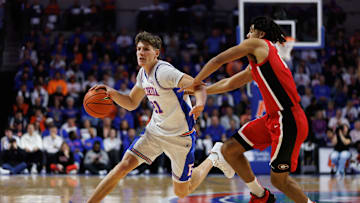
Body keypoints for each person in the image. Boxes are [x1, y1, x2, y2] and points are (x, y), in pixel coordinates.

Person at [86, 31, 234, 203]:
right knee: (123, 166)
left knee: (181, 192)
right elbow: (132, 102)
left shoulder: (164, 72)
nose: (141, 53)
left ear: (156, 53)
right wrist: (111, 92)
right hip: (155, 132)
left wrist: (200, 104)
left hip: (180, 137)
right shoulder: (142, 74)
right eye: (139, 49)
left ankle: (214, 157)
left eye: (146, 49)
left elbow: (198, 85)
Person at [181, 16, 314, 203]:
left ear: (259, 34)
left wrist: (196, 82)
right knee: (230, 149)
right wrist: (201, 90)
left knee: (279, 180)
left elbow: (219, 59)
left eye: (250, 30)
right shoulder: (260, 60)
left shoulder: (258, 45)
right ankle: (260, 195)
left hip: (289, 120)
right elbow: (230, 82)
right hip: (273, 118)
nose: (247, 34)